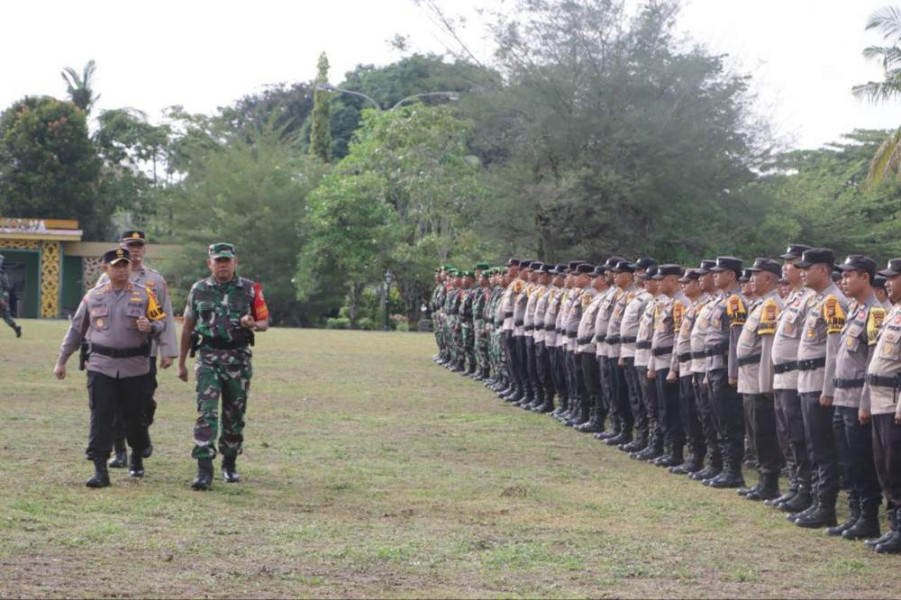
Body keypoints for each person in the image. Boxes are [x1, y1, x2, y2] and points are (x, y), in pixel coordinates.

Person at [54, 248, 166, 486]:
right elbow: (76, 329)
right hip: (101, 365)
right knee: (101, 416)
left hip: (134, 366)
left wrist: (151, 327)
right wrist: (62, 360)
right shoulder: (93, 296)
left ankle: (136, 453)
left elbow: (161, 321)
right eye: (116, 265)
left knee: (135, 417)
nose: (121, 269)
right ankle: (100, 469)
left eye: (124, 264)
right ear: (105, 268)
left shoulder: (145, 294)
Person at [178, 242, 269, 491]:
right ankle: (204, 469)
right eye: (218, 261)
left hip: (238, 360)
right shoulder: (198, 290)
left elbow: (265, 321)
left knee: (234, 415)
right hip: (208, 357)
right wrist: (182, 363)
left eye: (227, 261)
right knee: (206, 413)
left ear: (234, 263)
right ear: (210, 263)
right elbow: (187, 326)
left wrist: (253, 324)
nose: (223, 266)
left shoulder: (250, 289)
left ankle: (229, 463)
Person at [97, 231, 178, 471]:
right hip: (112, 353)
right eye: (130, 245)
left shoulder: (154, 280)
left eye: (139, 246)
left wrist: (168, 350)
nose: (135, 250)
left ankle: (139, 440)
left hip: (145, 352)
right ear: (122, 247)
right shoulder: (105, 280)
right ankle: (124, 453)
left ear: (144, 249)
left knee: (142, 403)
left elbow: (166, 315)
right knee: (114, 403)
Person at [790, 248, 849, 529]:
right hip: (805, 381)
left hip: (819, 383)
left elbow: (835, 351)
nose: (801, 272)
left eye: (807, 267)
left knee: (823, 448)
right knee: (812, 445)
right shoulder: (815, 300)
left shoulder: (834, 301)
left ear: (823, 270)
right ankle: (814, 500)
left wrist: (828, 389)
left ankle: (825, 507)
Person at [826, 255, 885, 540]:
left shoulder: (875, 312)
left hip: (857, 399)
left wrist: (865, 403)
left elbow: (873, 362)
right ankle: (854, 515)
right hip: (842, 396)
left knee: (862, 461)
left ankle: (869, 518)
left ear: (865, 278)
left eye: (849, 275)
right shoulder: (854, 310)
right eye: (843, 276)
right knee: (848, 461)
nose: (844, 281)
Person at [861, 258, 901, 553]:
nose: (887, 282)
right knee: (884, 467)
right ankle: (893, 527)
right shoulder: (893, 313)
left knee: (896, 466)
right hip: (878, 400)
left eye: (893, 277)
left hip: (893, 402)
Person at [736, 258, 784, 500]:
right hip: (748, 375)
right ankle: (762, 480)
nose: (751, 279)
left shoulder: (771, 306)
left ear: (768, 278)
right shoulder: (761, 303)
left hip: (758, 377)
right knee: (754, 432)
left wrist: (766, 382)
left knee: (763, 432)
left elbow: (767, 348)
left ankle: (769, 482)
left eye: (756, 275)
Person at [703, 256, 748, 489]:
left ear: (731, 275)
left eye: (720, 272)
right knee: (717, 419)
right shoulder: (720, 301)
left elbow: (736, 339)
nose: (714, 276)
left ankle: (733, 470)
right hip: (713, 365)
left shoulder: (735, 302)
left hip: (724, 366)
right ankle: (719, 464)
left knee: (729, 420)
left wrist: (733, 372)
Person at [0, 254, 22, 338]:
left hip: (1, 298)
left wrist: (1, 299)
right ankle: (16, 328)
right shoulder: (3, 274)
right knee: (6, 315)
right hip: (3, 297)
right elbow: (7, 287)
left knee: (6, 315)